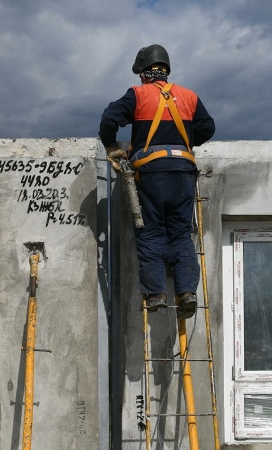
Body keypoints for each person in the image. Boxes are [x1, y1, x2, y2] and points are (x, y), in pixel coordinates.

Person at [99, 44, 215, 319]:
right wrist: (183, 143)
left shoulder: (138, 94)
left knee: (151, 232)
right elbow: (208, 127)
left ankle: (156, 294)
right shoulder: (189, 96)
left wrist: (113, 147)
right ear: (165, 71)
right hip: (184, 170)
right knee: (180, 233)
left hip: (150, 173)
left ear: (143, 73)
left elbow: (108, 120)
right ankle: (186, 292)